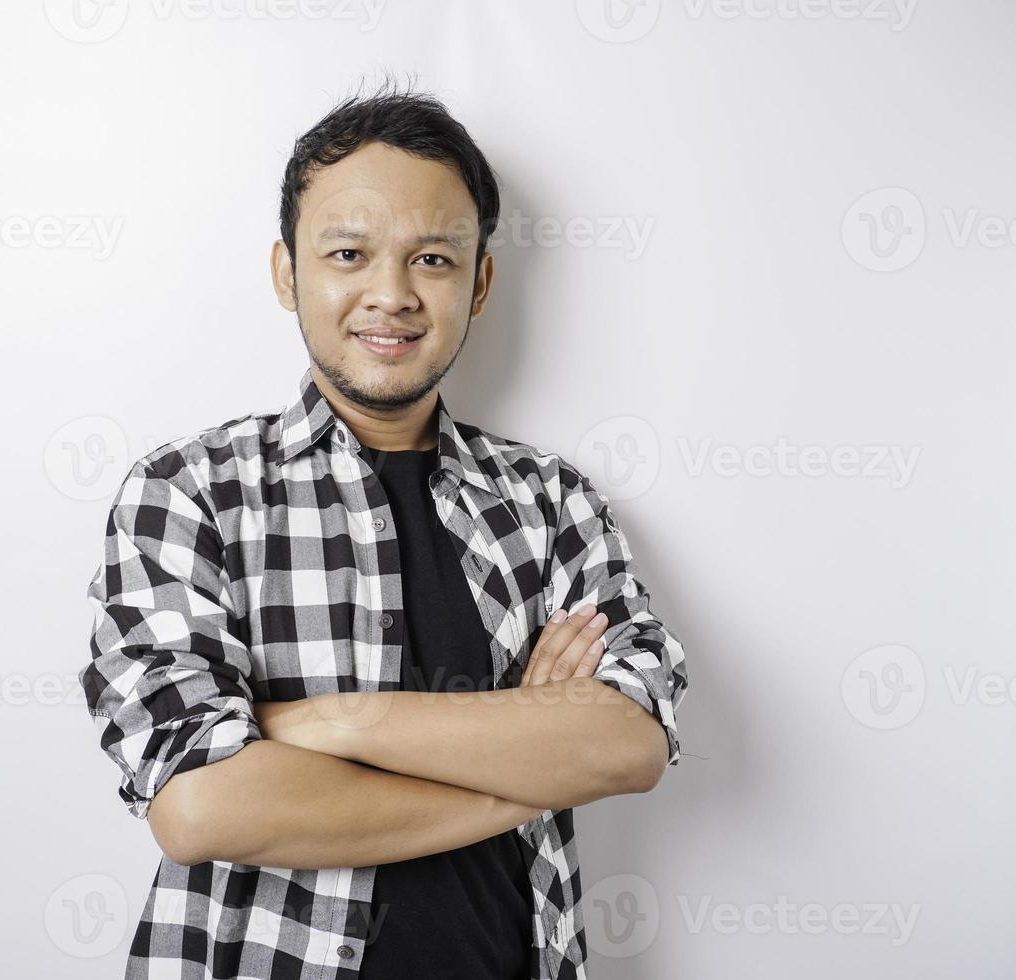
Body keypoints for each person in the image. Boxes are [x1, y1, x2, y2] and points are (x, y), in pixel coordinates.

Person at [80, 76, 688, 980]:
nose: (392, 294)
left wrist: (323, 724)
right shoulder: (188, 493)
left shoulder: (554, 501)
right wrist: (527, 751)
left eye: (433, 260)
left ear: (480, 283)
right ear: (288, 272)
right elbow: (204, 810)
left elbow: (628, 746)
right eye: (350, 254)